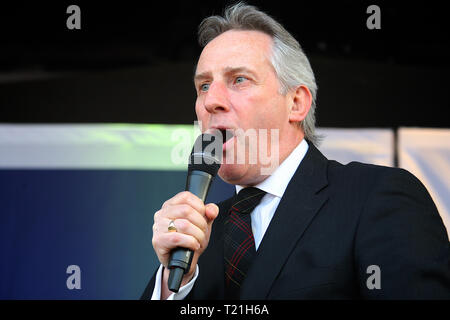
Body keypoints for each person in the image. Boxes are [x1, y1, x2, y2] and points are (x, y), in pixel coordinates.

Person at [141, 2, 450, 300]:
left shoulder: (376, 197)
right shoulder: (200, 239)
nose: (211, 101)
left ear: (297, 103)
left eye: (238, 79)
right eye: (204, 85)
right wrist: (174, 284)